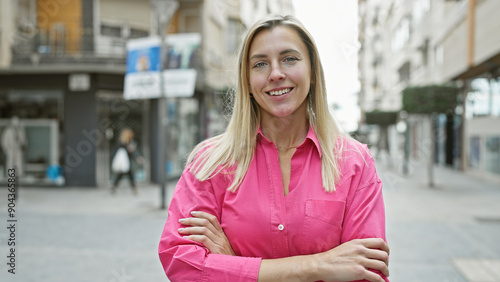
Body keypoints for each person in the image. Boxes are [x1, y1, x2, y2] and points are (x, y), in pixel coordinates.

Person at [158, 15, 389, 282]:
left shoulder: (354, 162)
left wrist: (233, 263)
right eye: (260, 64)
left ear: (312, 72)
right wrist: (317, 265)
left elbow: (368, 272)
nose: (276, 73)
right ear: (247, 80)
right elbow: (182, 264)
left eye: (289, 58)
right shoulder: (210, 163)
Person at [111, 128, 143, 195]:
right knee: (127, 175)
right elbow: (117, 151)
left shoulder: (129, 142)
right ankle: (134, 189)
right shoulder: (121, 143)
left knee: (124, 175)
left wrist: (136, 157)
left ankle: (114, 187)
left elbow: (132, 152)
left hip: (127, 162)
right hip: (124, 163)